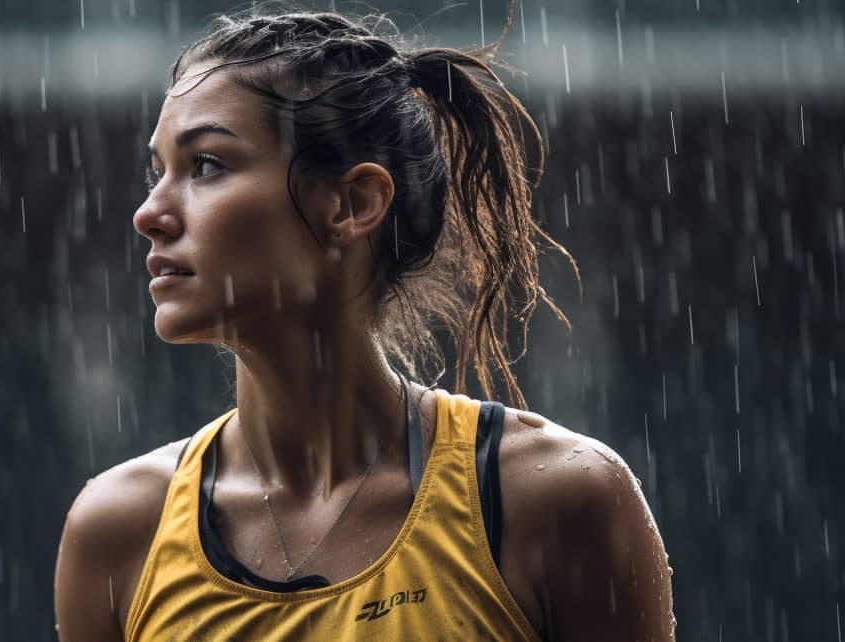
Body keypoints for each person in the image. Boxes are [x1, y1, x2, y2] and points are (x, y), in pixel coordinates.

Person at [54, 6, 675, 641]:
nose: (149, 213)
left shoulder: (551, 503)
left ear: (352, 204)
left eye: (206, 165)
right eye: (158, 172)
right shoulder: (120, 533)